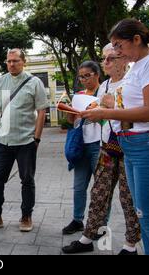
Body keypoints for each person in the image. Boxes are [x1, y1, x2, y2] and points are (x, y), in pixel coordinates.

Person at [81, 19, 149, 255]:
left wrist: (106, 111)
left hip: (148, 145)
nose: (115, 51)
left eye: (118, 45)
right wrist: (104, 112)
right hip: (131, 144)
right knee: (142, 216)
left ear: (136, 39)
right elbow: (130, 112)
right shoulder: (138, 68)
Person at [62, 44, 141, 255]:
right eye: (104, 59)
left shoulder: (134, 83)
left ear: (123, 59)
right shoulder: (105, 85)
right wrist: (88, 112)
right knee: (98, 193)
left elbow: (138, 118)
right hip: (106, 147)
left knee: (128, 198)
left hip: (128, 149)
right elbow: (103, 116)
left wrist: (110, 109)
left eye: (110, 59)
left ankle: (130, 245)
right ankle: (87, 238)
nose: (104, 62)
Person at [0, 49, 49, 233]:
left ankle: (26, 216)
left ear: (24, 62)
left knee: (27, 180)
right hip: (2, 141)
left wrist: (37, 138)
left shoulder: (34, 82)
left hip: (26, 141)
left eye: (15, 61)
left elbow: (41, 111)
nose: (11, 64)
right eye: (8, 61)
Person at [62, 61, 101, 235]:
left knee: (101, 187)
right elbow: (71, 122)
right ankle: (77, 220)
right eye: (81, 76)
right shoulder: (78, 95)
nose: (84, 79)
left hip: (99, 144)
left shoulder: (105, 93)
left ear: (96, 74)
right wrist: (68, 111)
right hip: (81, 144)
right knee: (79, 187)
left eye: (87, 75)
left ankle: (100, 224)